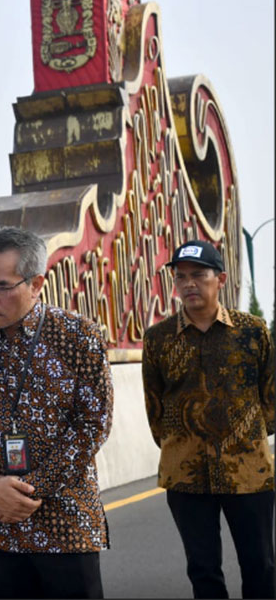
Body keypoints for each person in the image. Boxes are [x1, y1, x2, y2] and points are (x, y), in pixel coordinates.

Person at [0, 226, 113, 599]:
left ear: (36, 284)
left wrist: (29, 491)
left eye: (0, 287)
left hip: (66, 523)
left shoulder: (77, 337)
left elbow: (93, 423)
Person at [142, 239, 275, 599]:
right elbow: (155, 408)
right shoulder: (158, 339)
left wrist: (244, 437)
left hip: (248, 472)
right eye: (180, 277)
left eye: (198, 275)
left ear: (221, 279)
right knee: (203, 571)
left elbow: (271, 397)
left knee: (260, 565)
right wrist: (181, 442)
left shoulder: (252, 331)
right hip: (185, 475)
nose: (188, 284)